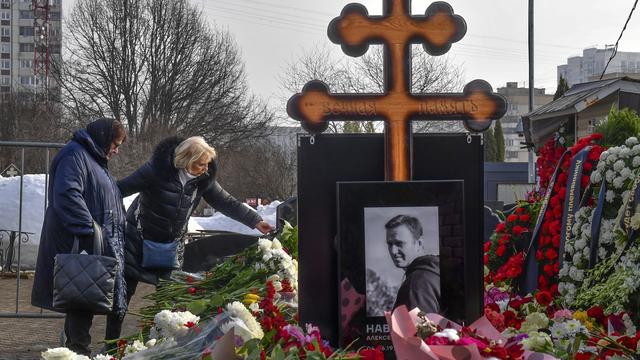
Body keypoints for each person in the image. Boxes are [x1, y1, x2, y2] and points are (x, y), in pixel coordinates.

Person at [105, 135, 273, 342]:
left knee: (168, 302)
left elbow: (226, 202)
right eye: (200, 165)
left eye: (207, 165)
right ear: (186, 160)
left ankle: (158, 345)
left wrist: (255, 221)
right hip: (135, 242)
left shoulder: (204, 179)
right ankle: (109, 342)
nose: (204, 169)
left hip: (171, 247)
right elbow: (119, 190)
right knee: (123, 297)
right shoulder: (155, 170)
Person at [31, 118, 128, 355]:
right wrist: (91, 230)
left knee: (81, 300)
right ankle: (78, 351)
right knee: (81, 300)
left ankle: (75, 351)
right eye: (114, 144)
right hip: (77, 241)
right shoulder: (75, 155)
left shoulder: (93, 159)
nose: (116, 150)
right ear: (104, 138)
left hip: (88, 241)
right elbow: (67, 195)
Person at [385, 214, 440, 313]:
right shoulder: (433, 273)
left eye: (399, 243)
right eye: (390, 244)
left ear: (419, 244)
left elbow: (420, 328)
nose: (393, 251)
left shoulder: (417, 281)